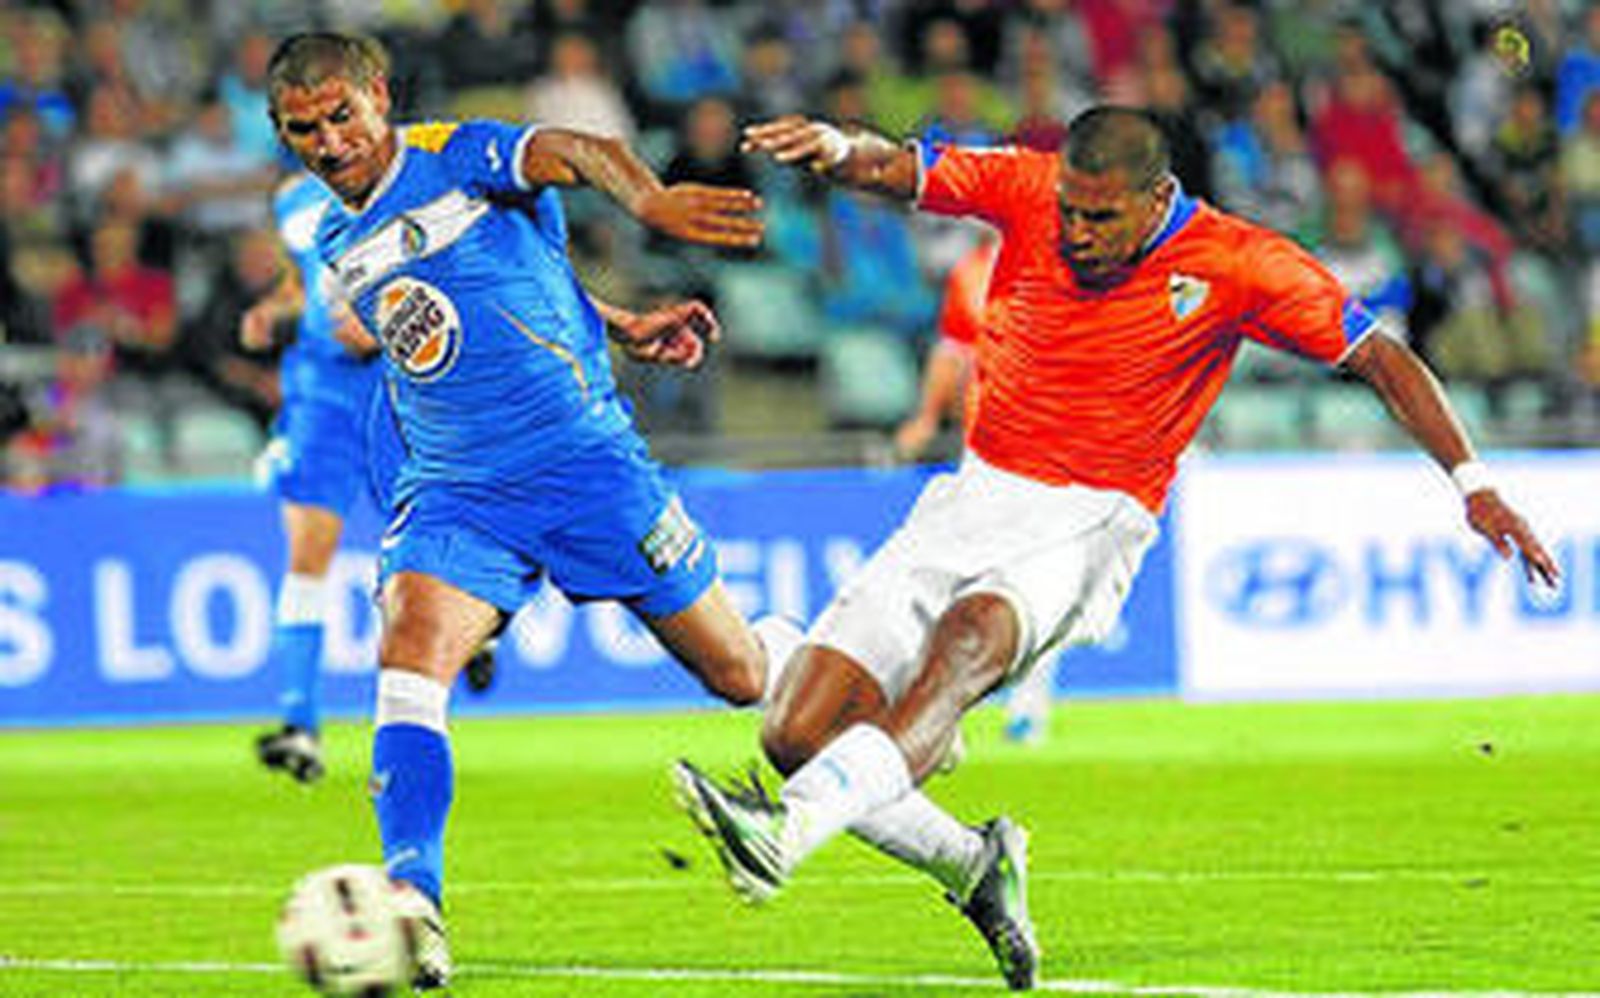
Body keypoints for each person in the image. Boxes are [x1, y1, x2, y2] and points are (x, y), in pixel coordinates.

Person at [672, 105, 1560, 992]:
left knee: (970, 644)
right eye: (1069, 211)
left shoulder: (1239, 262)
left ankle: (783, 834)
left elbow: (1379, 357)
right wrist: (834, 149)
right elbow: (899, 168)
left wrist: (1473, 484)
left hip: (1093, 516)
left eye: (1101, 217)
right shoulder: (1029, 188)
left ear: (1157, 197)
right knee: (797, 728)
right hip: (975, 494)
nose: (1077, 232)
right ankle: (974, 866)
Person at [266, 32, 799, 990]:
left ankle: (831, 665)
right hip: (459, 488)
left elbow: (575, 150)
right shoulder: (337, 242)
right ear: (284, 134)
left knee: (742, 674)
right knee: (409, 655)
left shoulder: (452, 153)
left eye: (342, 116)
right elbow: (508, 286)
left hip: (588, 466)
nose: (330, 141)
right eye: (305, 129)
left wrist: (650, 200)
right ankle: (414, 902)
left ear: (378, 97)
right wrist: (622, 323)